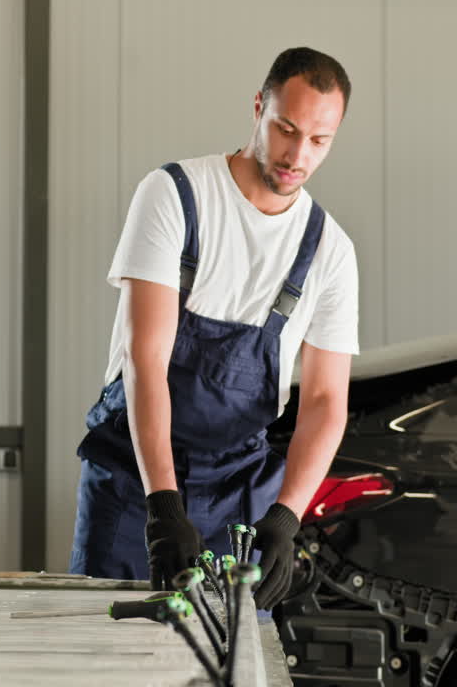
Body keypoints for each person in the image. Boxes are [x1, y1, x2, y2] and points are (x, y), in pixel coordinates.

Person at [69, 47, 359, 610]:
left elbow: (326, 400)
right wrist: (164, 507)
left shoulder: (329, 250)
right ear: (259, 108)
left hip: (240, 491)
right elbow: (144, 359)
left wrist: (284, 517)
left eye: (319, 141)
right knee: (105, 649)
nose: (297, 155)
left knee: (232, 655)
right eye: (286, 129)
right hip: (137, 482)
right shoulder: (175, 194)